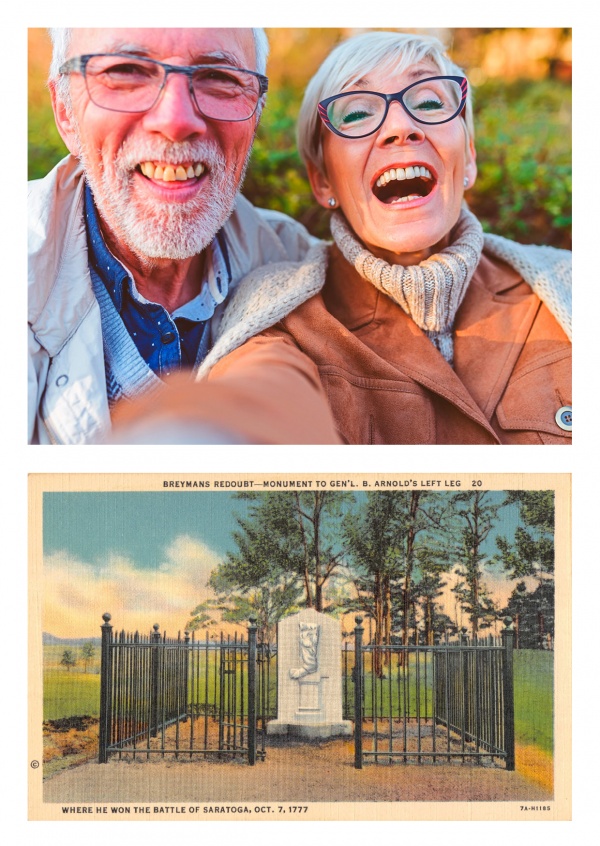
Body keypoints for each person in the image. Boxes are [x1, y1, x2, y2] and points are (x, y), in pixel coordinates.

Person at [188, 30, 571, 445]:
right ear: (322, 181)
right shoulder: (280, 319)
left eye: (428, 103)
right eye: (356, 114)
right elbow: (255, 404)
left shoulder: (568, 286)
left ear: (470, 158)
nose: (402, 127)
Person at [28, 27, 338, 444]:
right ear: (65, 111)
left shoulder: (299, 266)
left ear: (256, 112)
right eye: (126, 72)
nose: (175, 121)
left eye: (219, 78)